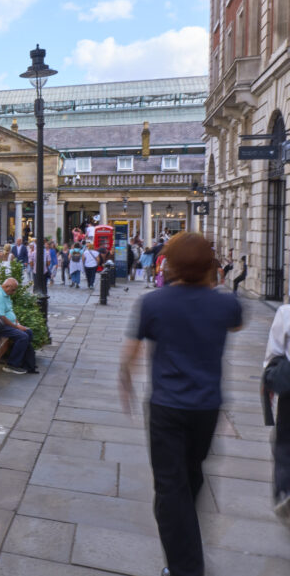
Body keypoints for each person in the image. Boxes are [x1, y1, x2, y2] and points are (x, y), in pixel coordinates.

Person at [118, 232, 242, 576]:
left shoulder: (155, 303)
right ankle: (187, 536)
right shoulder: (225, 303)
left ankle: (185, 568)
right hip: (207, 406)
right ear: (210, 266)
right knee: (192, 472)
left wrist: (125, 381)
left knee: (170, 489)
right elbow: (236, 324)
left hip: (167, 405)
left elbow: (131, 351)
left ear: (169, 264)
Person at [264, 303, 290, 527]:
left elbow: (274, 354)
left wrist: (269, 381)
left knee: (284, 445)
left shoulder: (286, 313)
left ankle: (285, 490)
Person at [0, 278, 37, 374]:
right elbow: (1, 317)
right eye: (13, 290)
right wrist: (17, 327)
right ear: (7, 286)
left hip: (5, 323)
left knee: (28, 332)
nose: (14, 292)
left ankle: (26, 362)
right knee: (23, 337)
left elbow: (10, 311)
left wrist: (17, 323)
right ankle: (12, 364)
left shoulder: (5, 293)